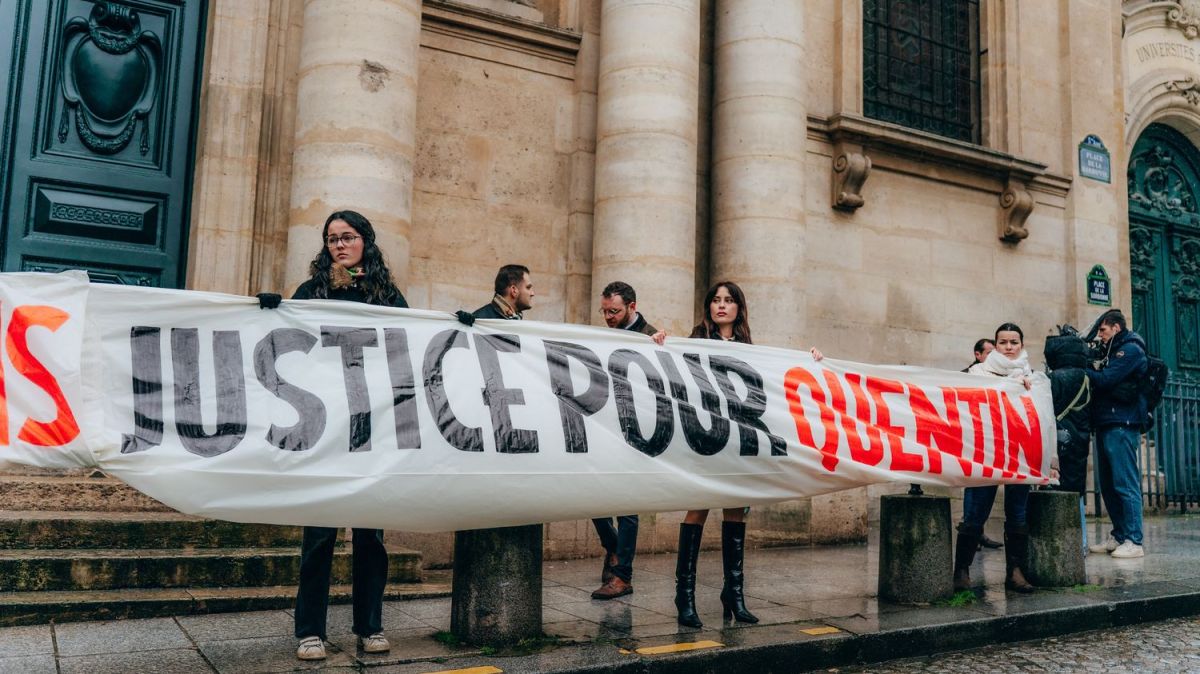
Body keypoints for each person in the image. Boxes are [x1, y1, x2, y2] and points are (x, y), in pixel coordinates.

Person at [289, 210, 408, 661]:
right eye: (332, 239)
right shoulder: (312, 290)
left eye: (349, 237)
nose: (340, 245)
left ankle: (370, 626)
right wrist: (267, 308)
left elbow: (414, 337)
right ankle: (309, 631)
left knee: (369, 537)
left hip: (367, 429)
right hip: (324, 429)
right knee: (318, 536)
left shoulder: (384, 293)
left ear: (366, 242)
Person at [672, 281, 823, 628]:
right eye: (716, 300)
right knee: (697, 508)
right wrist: (657, 341)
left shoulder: (750, 349)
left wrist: (808, 360)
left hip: (739, 437)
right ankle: (685, 596)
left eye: (729, 300)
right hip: (706, 435)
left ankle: (734, 594)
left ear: (739, 308)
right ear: (708, 307)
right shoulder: (694, 340)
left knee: (736, 511)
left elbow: (775, 376)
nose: (721, 306)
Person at [590, 282, 666, 600]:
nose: (608, 317)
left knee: (628, 505)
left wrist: (661, 348)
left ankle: (623, 576)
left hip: (637, 431)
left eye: (614, 311)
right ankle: (614, 548)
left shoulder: (652, 336)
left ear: (632, 307)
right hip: (607, 426)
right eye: (605, 311)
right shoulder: (603, 335)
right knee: (590, 496)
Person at [952, 322, 1036, 594]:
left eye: (1014, 342)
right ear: (995, 345)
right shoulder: (977, 372)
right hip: (986, 452)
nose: (1009, 347)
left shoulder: (1033, 377)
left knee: (1018, 512)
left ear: (1022, 345)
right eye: (1003, 342)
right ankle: (962, 570)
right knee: (975, 512)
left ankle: (1015, 571)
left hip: (1019, 452)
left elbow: (1042, 419)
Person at [1085, 309, 1148, 559]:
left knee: (1125, 483)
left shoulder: (1130, 349)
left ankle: (1134, 539)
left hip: (1122, 422)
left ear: (1116, 328)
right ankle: (1120, 534)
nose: (1099, 335)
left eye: (1102, 330)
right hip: (1106, 421)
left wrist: (1080, 369)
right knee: (1109, 485)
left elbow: (1107, 379)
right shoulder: (1110, 350)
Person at [960, 337, 1003, 551]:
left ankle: (978, 532)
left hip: (989, 441)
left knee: (986, 486)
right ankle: (971, 530)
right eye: (988, 352)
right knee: (974, 486)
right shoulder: (967, 376)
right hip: (973, 440)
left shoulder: (995, 376)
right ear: (977, 355)